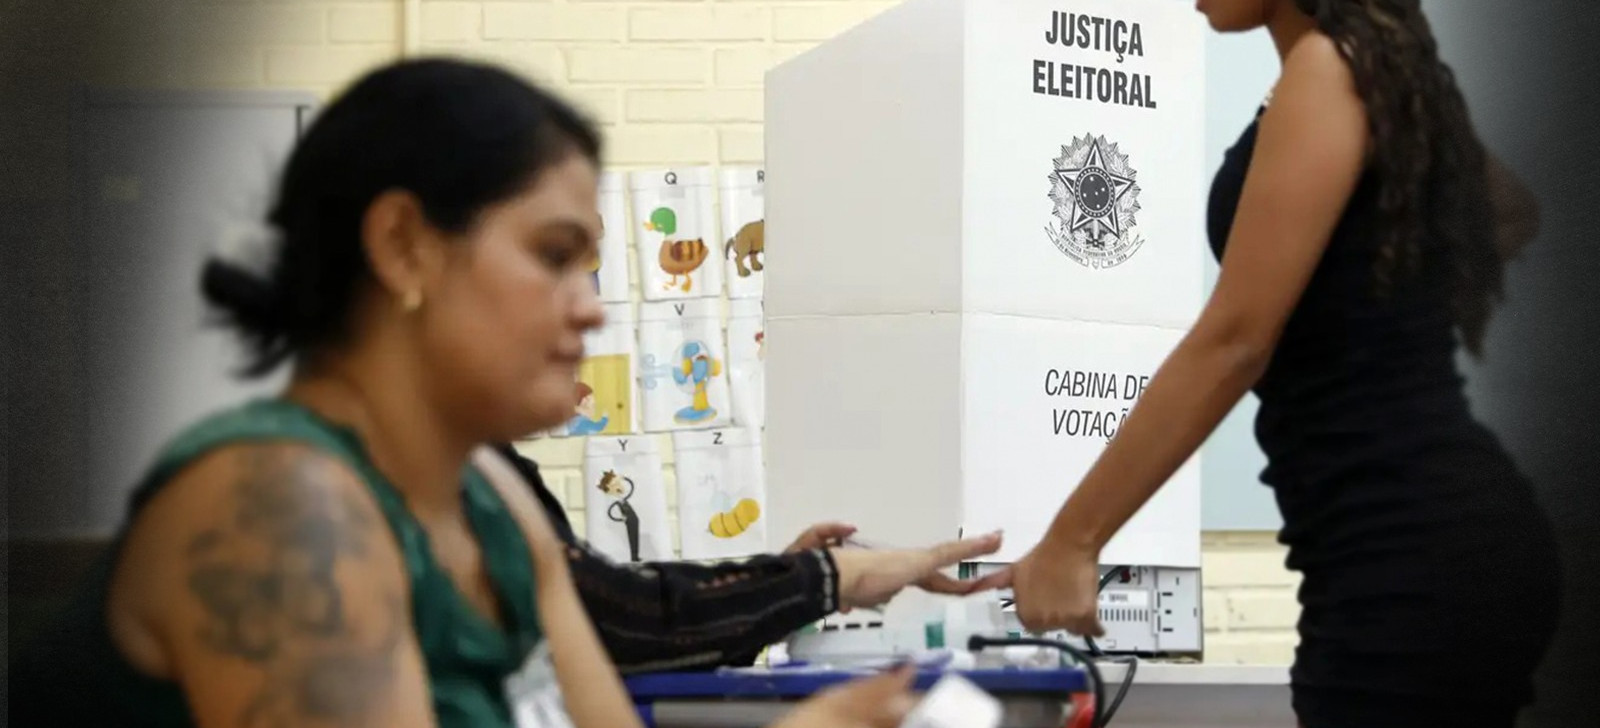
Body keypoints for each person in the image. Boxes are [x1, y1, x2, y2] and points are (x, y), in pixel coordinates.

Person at [8, 57, 1009, 728]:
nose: (590, 313)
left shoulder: (488, 499)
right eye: (552, 256)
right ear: (402, 243)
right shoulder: (278, 508)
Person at [1001, 1, 1559, 727]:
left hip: (1406, 541)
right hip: (1417, 532)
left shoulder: (1329, 67)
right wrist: (1373, 292)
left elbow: (1235, 338)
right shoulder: (1385, 73)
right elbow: (1514, 214)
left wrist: (1073, 539)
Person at [493, 442, 1002, 674]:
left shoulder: (491, 472)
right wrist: (823, 577)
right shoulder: (465, 486)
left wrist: (785, 585)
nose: (585, 309)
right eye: (554, 255)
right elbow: (615, 619)